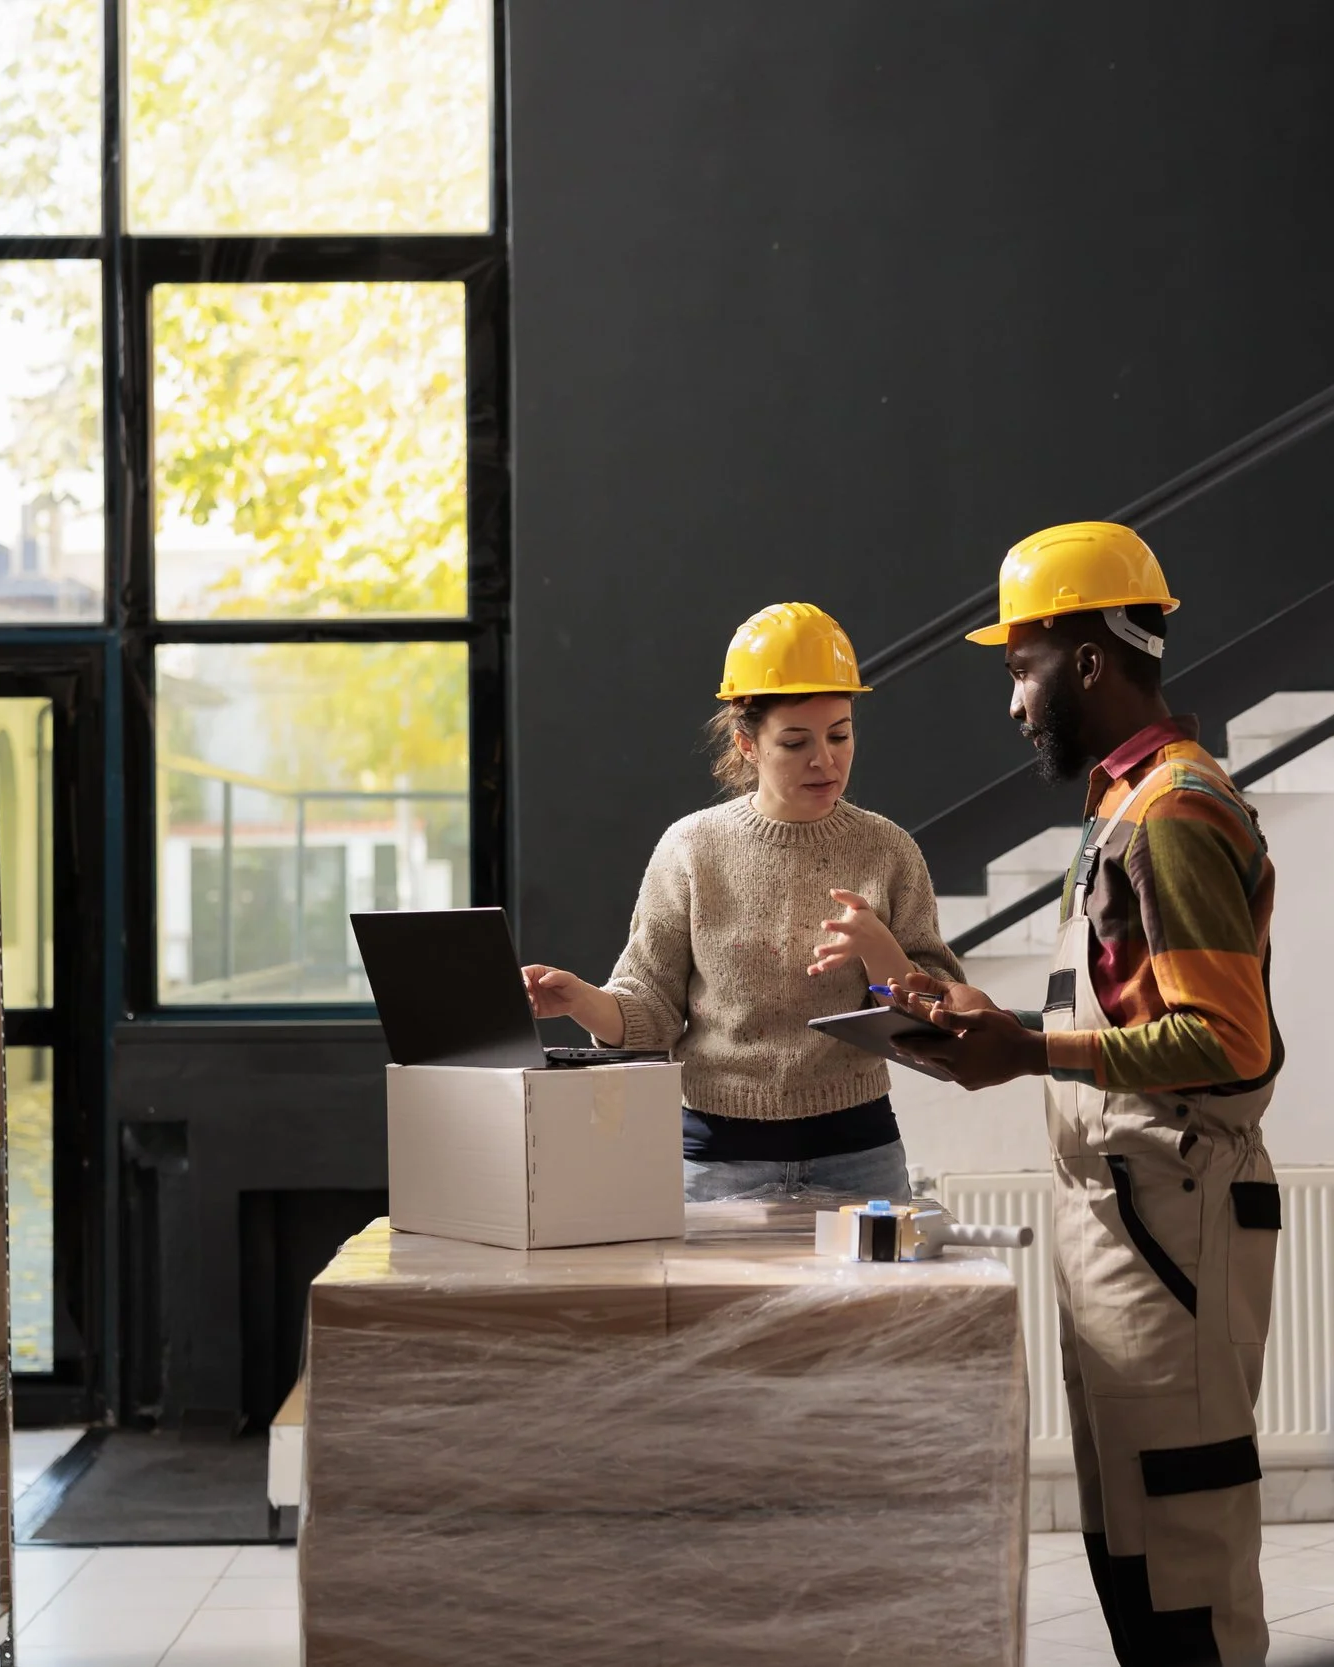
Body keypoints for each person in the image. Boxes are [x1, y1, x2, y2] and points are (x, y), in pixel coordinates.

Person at [887, 522, 1283, 1666]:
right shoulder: (1121, 803)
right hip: (1117, 1210)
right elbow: (1120, 1006)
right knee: (1129, 1540)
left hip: (1171, 1214)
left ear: (1091, 659)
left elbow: (1225, 1034)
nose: (1015, 701)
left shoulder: (1173, 810)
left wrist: (1027, 1049)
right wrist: (968, 1024)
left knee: (1186, 1544)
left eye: (1022, 664)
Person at [521, 602, 961, 1202]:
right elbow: (649, 1011)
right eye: (795, 741)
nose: (824, 760)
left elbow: (938, 1013)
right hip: (717, 1162)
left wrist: (882, 952)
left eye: (840, 734)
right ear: (746, 743)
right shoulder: (691, 848)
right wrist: (583, 1001)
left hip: (859, 1154)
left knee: (867, 1302)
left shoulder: (888, 849)